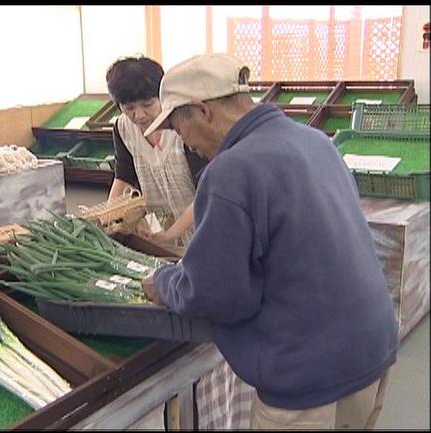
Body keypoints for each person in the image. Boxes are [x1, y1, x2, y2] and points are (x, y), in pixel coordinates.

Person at [141, 53, 399, 430]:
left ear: (201, 111)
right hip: (371, 350)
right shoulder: (315, 141)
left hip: (309, 378)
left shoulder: (231, 170)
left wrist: (164, 282)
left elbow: (215, 294)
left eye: (181, 130)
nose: (185, 144)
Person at [105, 56, 209, 246]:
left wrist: (171, 234)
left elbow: (208, 191)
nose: (139, 115)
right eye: (129, 108)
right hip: (160, 229)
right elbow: (124, 176)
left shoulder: (183, 127)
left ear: (163, 96)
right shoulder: (123, 128)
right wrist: (108, 216)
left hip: (203, 225)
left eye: (148, 105)